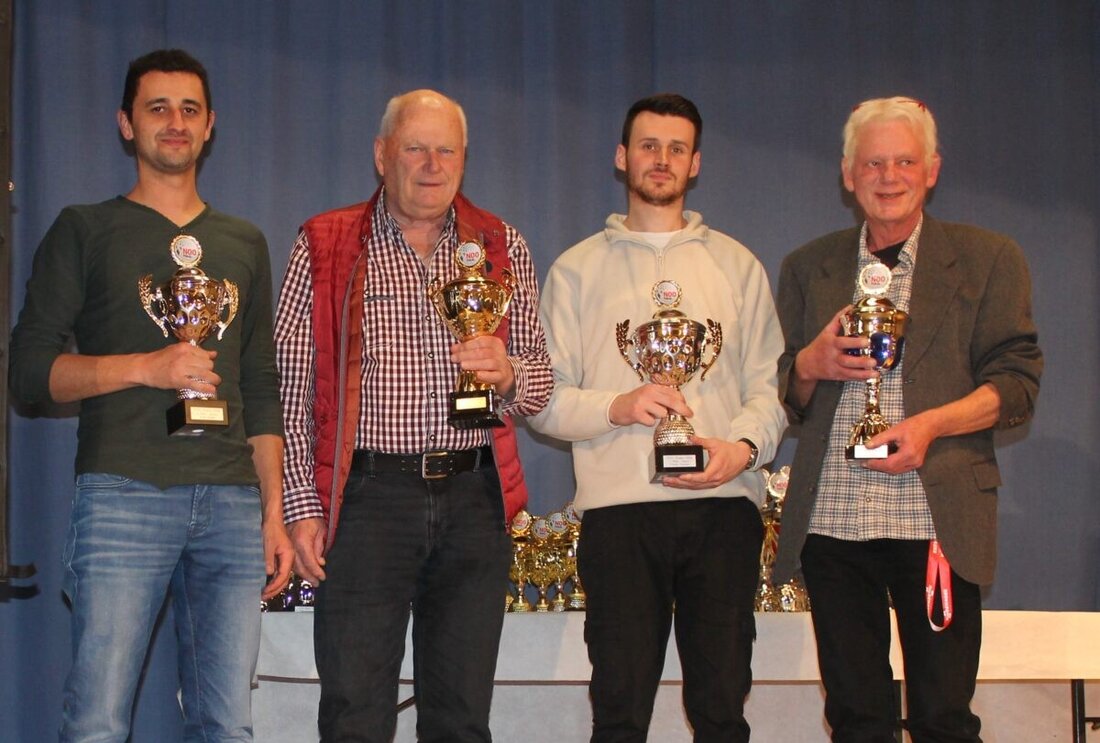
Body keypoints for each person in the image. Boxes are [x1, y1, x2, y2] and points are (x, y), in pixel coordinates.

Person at [8, 49, 293, 741]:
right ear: (126, 125)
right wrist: (146, 366)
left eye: (189, 109)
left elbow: (260, 383)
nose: (175, 122)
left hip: (231, 502)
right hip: (122, 493)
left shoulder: (244, 241)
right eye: (157, 108)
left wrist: (274, 514)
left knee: (227, 723)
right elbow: (30, 373)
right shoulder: (84, 229)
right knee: (99, 720)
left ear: (211, 125)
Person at [275, 89, 552, 742]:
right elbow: (287, 387)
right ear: (381, 155)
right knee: (355, 714)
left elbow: (540, 380)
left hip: (473, 497)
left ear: (464, 159)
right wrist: (301, 505)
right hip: (367, 499)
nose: (432, 164)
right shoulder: (324, 241)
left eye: (446, 149)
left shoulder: (501, 243)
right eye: (415, 148)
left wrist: (508, 372)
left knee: (460, 718)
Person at [773, 96, 1043, 742]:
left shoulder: (988, 259)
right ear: (847, 173)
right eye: (873, 162)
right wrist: (810, 363)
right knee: (856, 719)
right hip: (835, 525)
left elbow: (1018, 381)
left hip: (936, 522)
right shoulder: (808, 267)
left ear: (932, 170)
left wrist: (932, 425)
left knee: (944, 718)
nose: (887, 176)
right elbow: (784, 390)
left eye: (903, 161)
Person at [529, 93, 787, 742]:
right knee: (619, 713)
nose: (662, 159)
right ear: (622, 158)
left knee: (722, 710)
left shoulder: (738, 266)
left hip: (724, 506)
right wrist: (618, 404)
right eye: (648, 145)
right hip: (620, 515)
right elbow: (544, 399)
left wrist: (743, 449)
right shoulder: (575, 271)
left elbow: (770, 390)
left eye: (677, 148)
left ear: (696, 163)